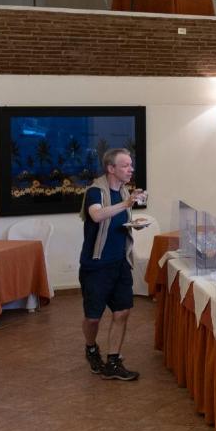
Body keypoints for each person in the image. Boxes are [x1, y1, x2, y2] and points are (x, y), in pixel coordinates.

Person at [79, 148, 145, 381]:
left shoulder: (124, 191)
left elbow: (119, 223)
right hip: (96, 266)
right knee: (93, 318)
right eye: (125, 165)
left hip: (120, 262)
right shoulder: (95, 191)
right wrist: (127, 203)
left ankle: (114, 361)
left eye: (130, 165)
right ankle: (91, 348)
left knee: (122, 312)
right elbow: (97, 216)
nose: (131, 169)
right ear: (111, 168)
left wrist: (134, 223)